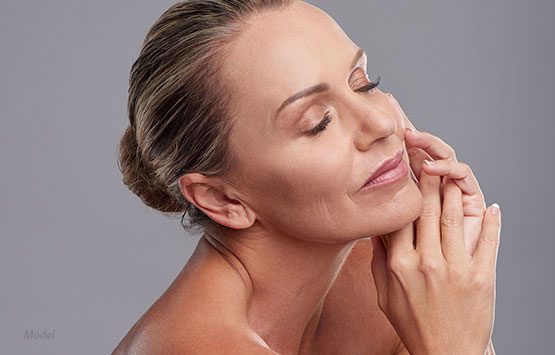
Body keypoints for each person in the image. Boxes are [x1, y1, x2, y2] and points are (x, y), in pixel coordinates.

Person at [114, 0, 501, 354]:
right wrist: (454, 344)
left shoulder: (394, 284)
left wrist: (451, 265)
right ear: (221, 198)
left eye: (364, 84)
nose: (382, 123)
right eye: (318, 123)